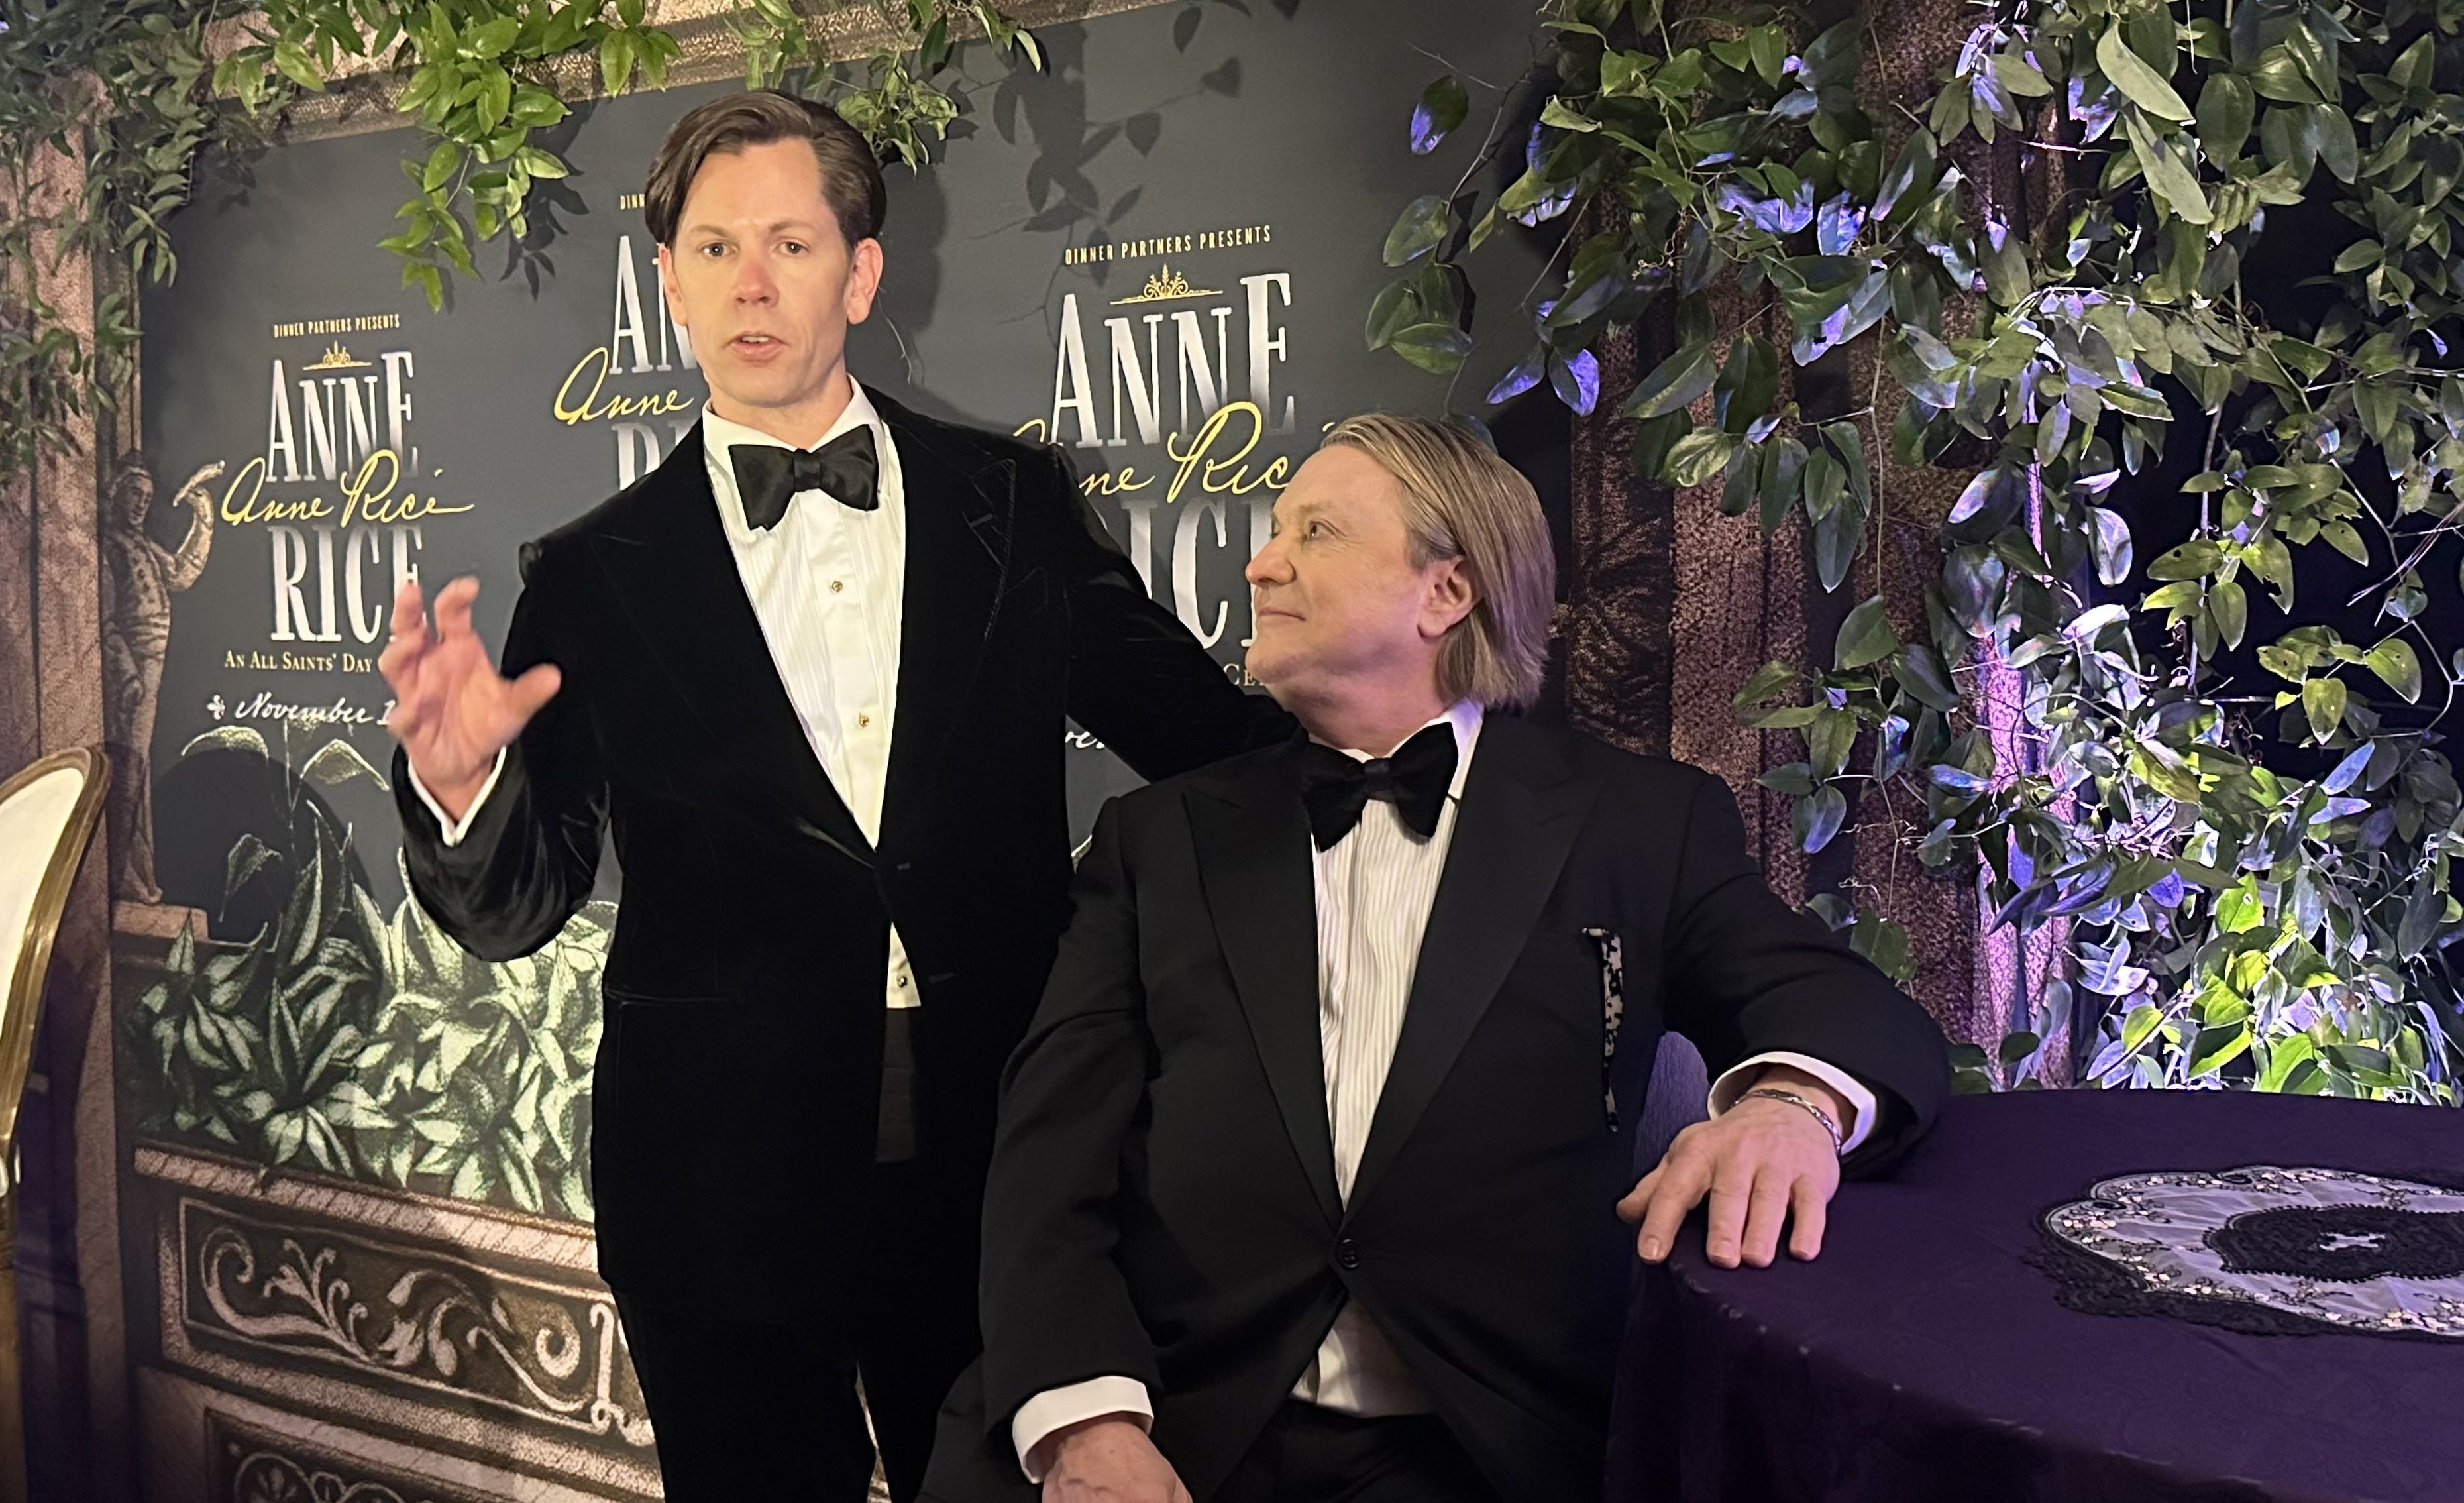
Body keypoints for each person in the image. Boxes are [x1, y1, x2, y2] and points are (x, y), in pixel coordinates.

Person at [376, 89, 1290, 1503]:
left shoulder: (1014, 506)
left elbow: (1202, 743)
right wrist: (462, 783)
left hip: (1007, 1162)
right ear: (669, 281)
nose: (752, 281)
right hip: (714, 1188)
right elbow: (519, 904)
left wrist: (1398, 714)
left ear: (858, 274)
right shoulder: (593, 574)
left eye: (792, 244)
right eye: (716, 246)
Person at [924, 414, 1951, 1503]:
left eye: (1313, 533)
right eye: (1273, 531)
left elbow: (1840, 1006)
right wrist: (1088, 1425)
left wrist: (1790, 1107)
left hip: (1498, 1444)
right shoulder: (1156, 842)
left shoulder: (1635, 825)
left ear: (1445, 593)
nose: (1260, 562)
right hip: (1183, 1417)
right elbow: (1047, 1163)